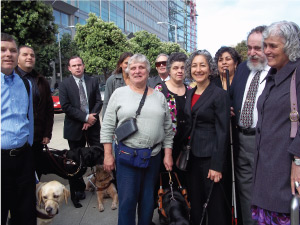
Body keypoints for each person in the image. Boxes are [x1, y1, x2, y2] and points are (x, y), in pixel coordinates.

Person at [101, 53, 174, 225]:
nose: (137, 71)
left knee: (148, 201)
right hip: (126, 156)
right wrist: (108, 154)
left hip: (153, 156)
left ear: (148, 72)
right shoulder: (119, 94)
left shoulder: (159, 96)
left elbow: (168, 129)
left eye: (141, 67)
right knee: (127, 202)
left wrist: (168, 154)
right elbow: (108, 126)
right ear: (127, 71)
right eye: (133, 68)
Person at [251, 21, 300, 224]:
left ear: (290, 47)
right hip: (265, 171)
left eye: (273, 46)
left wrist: (298, 161)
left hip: (285, 172)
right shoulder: (272, 74)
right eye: (266, 45)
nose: (267, 51)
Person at [184, 50, 230, 225]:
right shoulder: (190, 92)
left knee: (214, 206)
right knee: (195, 203)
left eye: (202, 65)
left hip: (211, 160)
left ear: (210, 69)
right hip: (192, 159)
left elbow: (223, 132)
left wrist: (217, 166)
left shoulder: (219, 95)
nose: (198, 69)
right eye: (194, 65)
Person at [230, 25, 269, 225]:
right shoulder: (244, 68)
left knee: (267, 193)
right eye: (249, 48)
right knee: (245, 193)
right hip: (241, 140)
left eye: (257, 48)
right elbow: (232, 96)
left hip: (267, 142)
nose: (252, 53)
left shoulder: (280, 71)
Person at [59, 56, 103, 208]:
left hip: (94, 126)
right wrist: (85, 118)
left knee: (100, 156)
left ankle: (103, 185)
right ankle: (78, 189)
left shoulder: (93, 81)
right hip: (74, 127)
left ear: (84, 66)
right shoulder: (64, 84)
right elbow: (65, 106)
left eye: (79, 65)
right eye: (74, 65)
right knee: (75, 161)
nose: (77, 67)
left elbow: (99, 101)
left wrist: (91, 118)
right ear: (69, 68)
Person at [1, 33, 35, 225]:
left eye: (13, 50)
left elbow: (29, 118)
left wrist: (28, 147)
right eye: (3, 50)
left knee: (25, 213)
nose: (8, 54)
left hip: (23, 158)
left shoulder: (25, 83)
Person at [15, 45, 54, 179]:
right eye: (25, 54)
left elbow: (49, 110)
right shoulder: (11, 78)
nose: (29, 57)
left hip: (37, 137)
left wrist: (47, 133)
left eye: (32, 55)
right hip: (17, 138)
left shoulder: (41, 80)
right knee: (19, 175)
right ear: (17, 58)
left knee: (37, 171)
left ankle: (35, 199)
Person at [155, 52, 188, 182]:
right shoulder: (160, 90)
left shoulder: (190, 90)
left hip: (185, 147)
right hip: (165, 146)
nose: (179, 71)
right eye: (175, 68)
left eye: (183, 67)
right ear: (169, 70)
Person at [102, 52, 133, 118]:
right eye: (126, 63)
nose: (129, 66)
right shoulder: (112, 80)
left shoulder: (138, 80)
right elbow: (106, 103)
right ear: (120, 64)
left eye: (131, 63)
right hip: (117, 119)